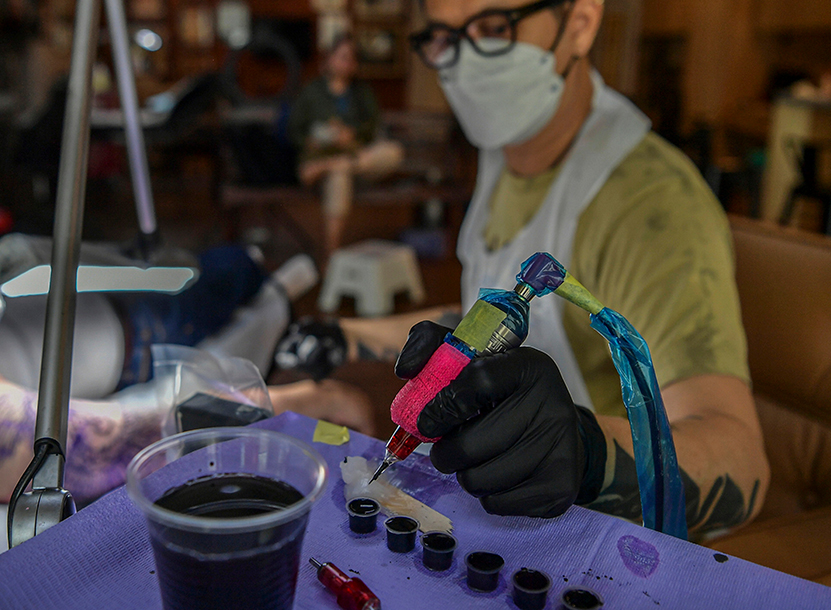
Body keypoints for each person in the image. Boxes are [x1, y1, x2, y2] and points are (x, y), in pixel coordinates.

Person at [335, 0, 769, 534]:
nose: (466, 62)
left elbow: (742, 460)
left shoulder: (653, 205)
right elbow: (483, 315)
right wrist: (343, 335)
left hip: (609, 546)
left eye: (494, 28)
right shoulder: (507, 155)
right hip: (498, 516)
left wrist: (588, 454)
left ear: (581, 23)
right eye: (443, 37)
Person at [0, 240, 375, 504]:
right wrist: (305, 400)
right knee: (231, 269)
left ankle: (263, 269)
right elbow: (102, 440)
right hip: (131, 337)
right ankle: (264, 270)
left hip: (102, 321)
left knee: (232, 269)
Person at [287, 34, 404, 256]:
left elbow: (372, 127)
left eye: (351, 59)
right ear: (329, 58)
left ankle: (335, 164)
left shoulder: (361, 92)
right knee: (338, 178)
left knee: (394, 152)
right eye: (342, 57)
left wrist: (351, 134)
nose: (347, 63)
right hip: (321, 157)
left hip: (357, 159)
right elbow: (294, 130)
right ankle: (330, 254)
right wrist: (312, 140)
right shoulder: (312, 91)